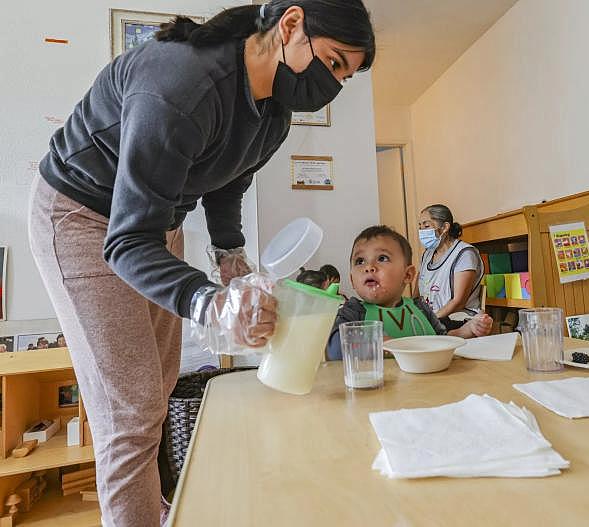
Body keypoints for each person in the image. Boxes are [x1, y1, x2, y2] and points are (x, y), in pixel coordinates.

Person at [27, 3, 375, 525]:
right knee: (131, 406)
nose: (334, 85)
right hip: (83, 215)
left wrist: (230, 254)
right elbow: (127, 241)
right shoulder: (181, 83)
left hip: (154, 222)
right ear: (291, 24)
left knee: (162, 381)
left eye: (346, 75)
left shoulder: (274, 112)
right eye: (333, 63)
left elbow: (229, 178)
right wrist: (209, 300)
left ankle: (153, 505)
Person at [327, 226, 492, 360]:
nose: (369, 267)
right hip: (382, 393)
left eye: (382, 258)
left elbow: (441, 338)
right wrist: (379, 344)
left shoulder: (420, 308)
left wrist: (468, 329)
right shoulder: (353, 312)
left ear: (408, 275)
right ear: (352, 280)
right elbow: (335, 349)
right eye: (360, 261)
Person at [416, 204, 484, 329]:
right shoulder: (426, 255)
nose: (422, 231)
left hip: (459, 319)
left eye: (426, 226)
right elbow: (417, 295)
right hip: (433, 320)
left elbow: (458, 302)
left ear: (445, 228)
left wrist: (430, 322)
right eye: (420, 227)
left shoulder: (465, 254)